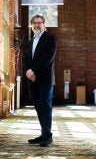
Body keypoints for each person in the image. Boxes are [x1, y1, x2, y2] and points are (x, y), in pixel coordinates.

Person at [25, 14, 56, 147]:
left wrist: (34, 71)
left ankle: (48, 136)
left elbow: (48, 58)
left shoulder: (50, 39)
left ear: (44, 25)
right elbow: (27, 59)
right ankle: (43, 134)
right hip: (32, 79)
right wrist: (28, 72)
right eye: (35, 23)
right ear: (32, 26)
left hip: (45, 79)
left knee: (45, 105)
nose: (37, 25)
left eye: (40, 23)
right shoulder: (30, 41)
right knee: (38, 106)